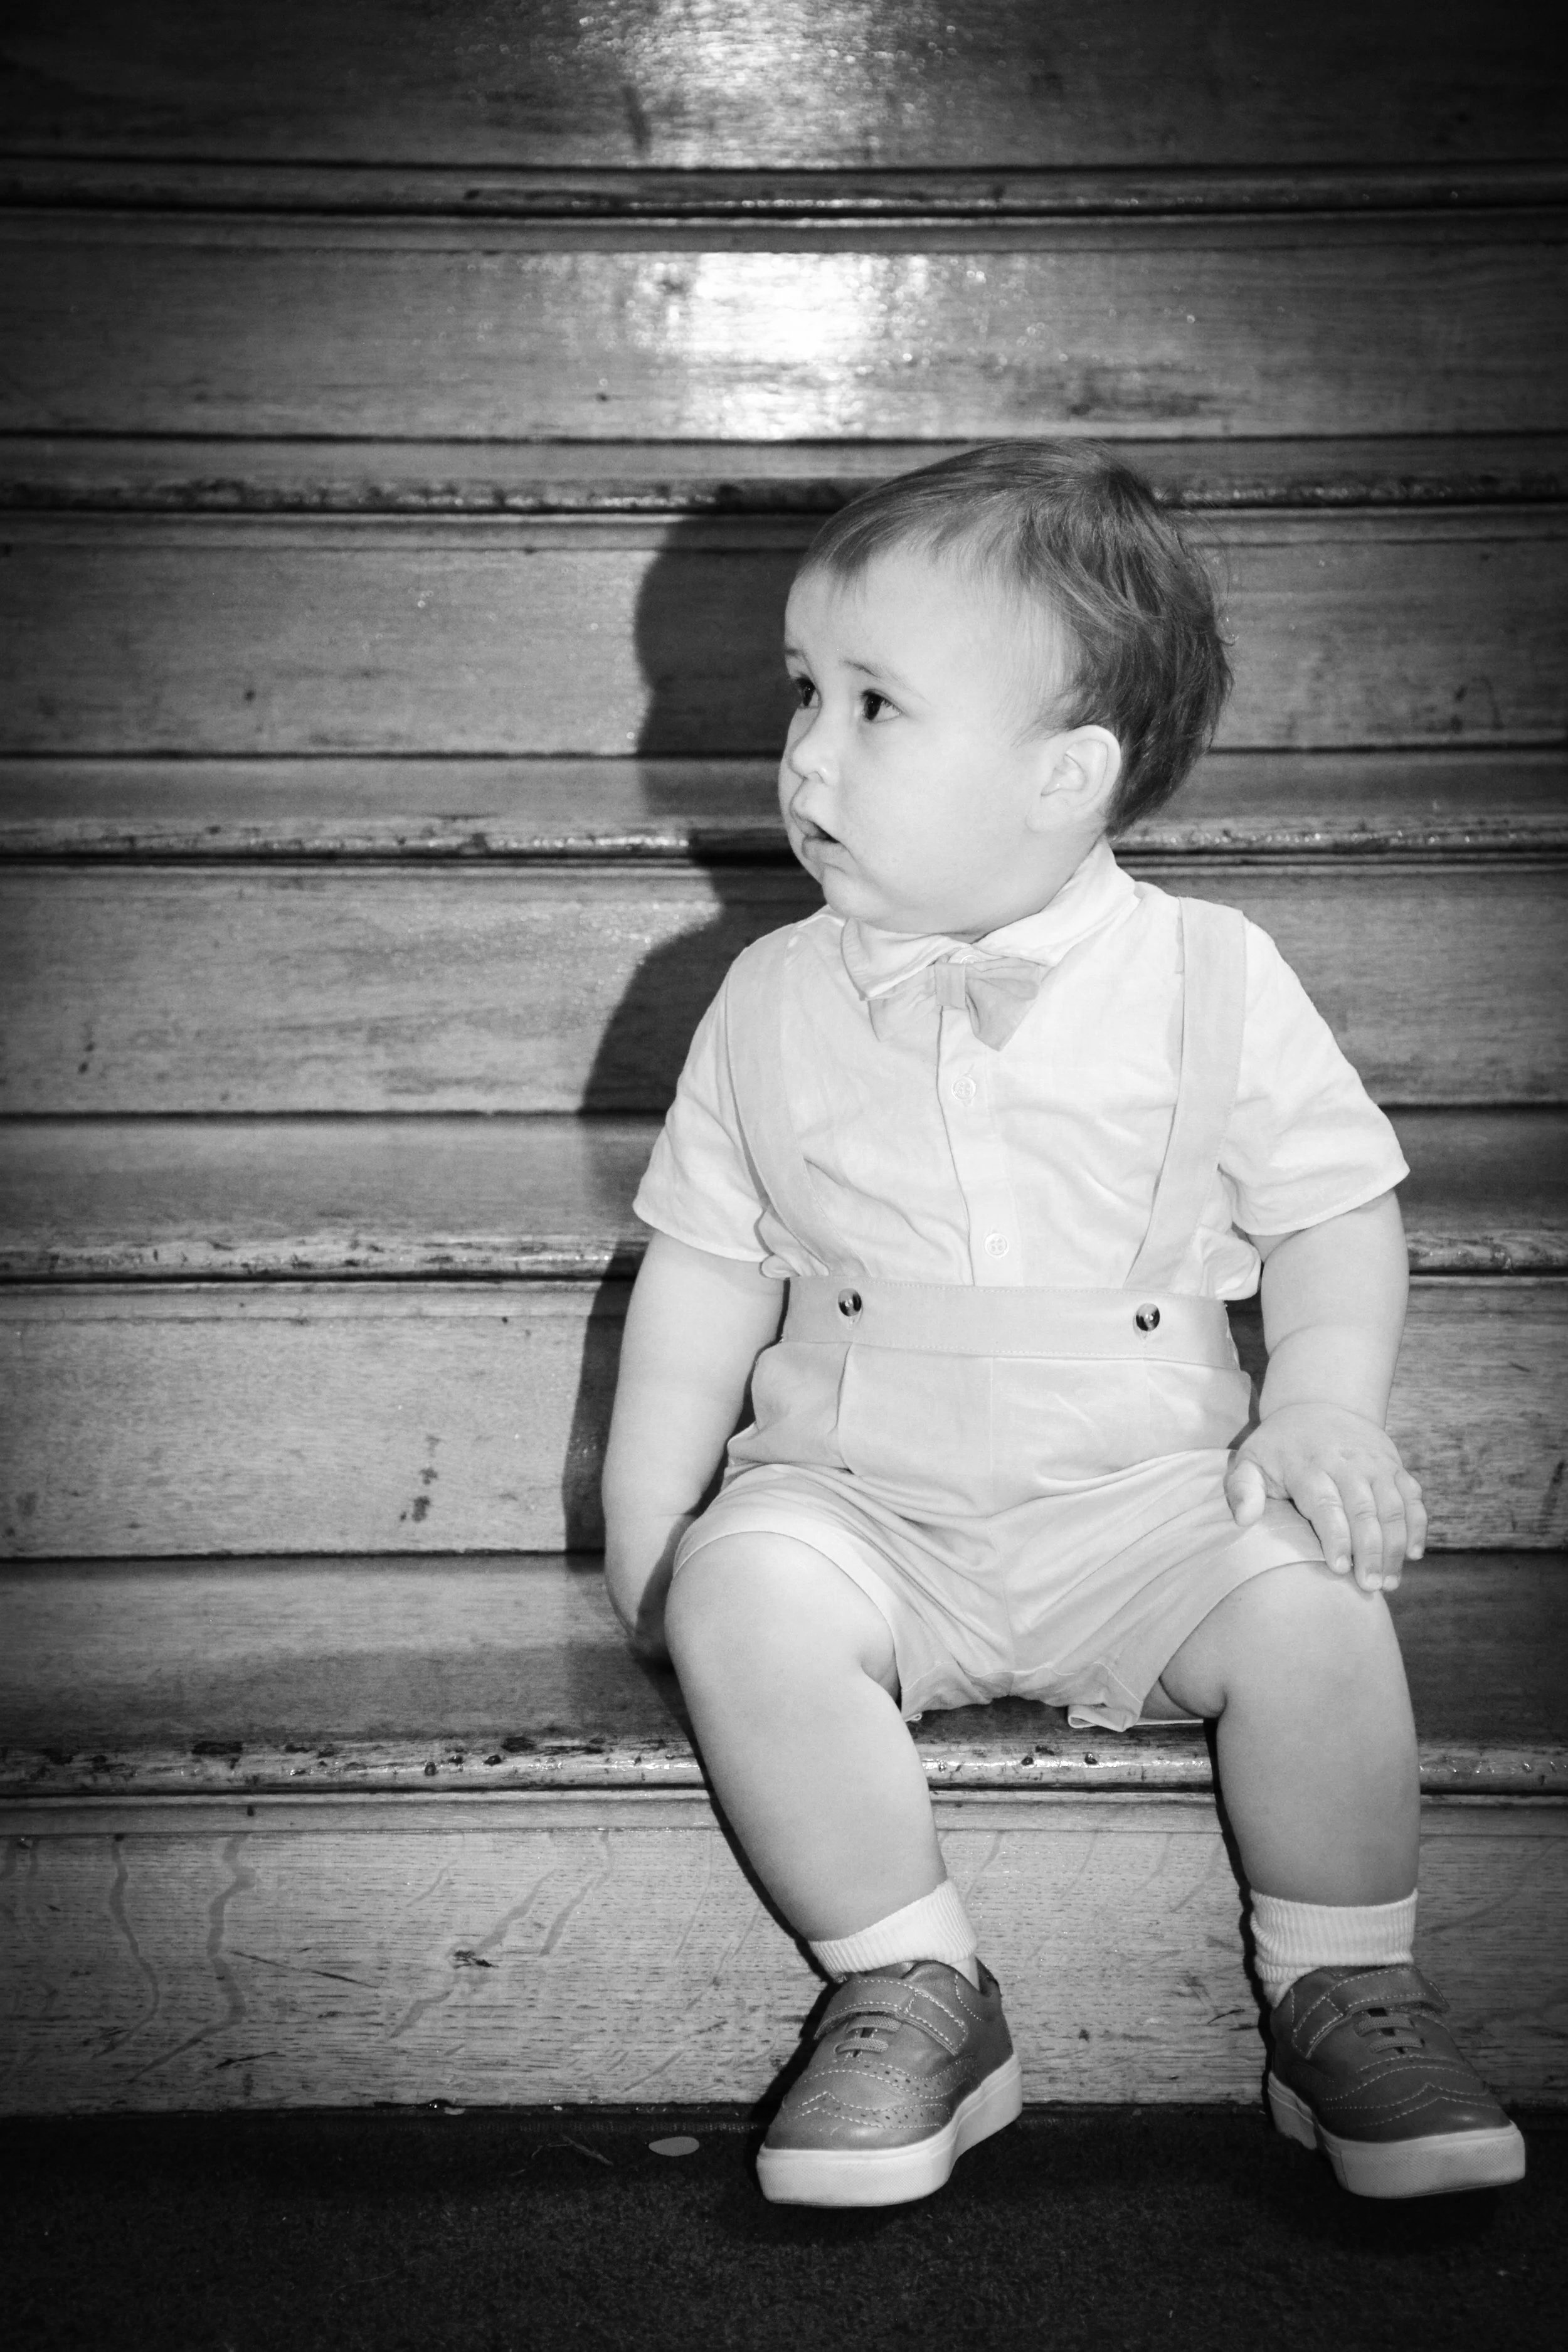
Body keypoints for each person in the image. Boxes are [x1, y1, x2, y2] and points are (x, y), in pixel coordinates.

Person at [600, 442, 1526, 2208]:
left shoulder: (1212, 974)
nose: (804, 748)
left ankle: (1341, 1980)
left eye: (875, 706)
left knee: (1319, 1616)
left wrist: (1319, 1405)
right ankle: (912, 1983)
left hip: (1147, 1504)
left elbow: (1335, 1209)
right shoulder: (761, 997)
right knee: (748, 1594)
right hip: (865, 1499)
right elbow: (705, 1268)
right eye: (802, 691)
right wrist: (657, 1530)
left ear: (1066, 774)